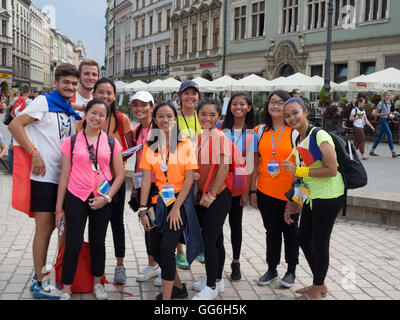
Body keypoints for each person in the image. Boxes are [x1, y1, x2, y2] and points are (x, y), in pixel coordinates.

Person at [8, 63, 82, 299]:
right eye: (66, 82)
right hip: (43, 177)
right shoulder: (44, 102)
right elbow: (14, 125)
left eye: (73, 83)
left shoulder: (69, 107)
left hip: (65, 180)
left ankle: (60, 275)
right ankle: (39, 280)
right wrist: (34, 153)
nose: (70, 86)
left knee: (63, 227)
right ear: (56, 83)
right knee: (45, 228)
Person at [55, 99, 125, 300]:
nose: (97, 117)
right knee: (74, 243)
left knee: (98, 242)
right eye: (93, 113)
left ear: (106, 118)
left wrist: (107, 197)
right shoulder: (72, 141)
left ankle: (97, 282)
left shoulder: (112, 143)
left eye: (102, 115)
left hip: (102, 198)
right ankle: (66, 287)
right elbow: (64, 176)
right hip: (76, 195)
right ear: (86, 114)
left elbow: (119, 175)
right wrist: (59, 209)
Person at [281, 97, 345, 300]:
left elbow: (332, 170)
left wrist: (297, 169)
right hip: (312, 197)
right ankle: (321, 284)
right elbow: (303, 178)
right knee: (302, 238)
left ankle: (316, 292)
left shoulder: (319, 135)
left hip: (329, 197)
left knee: (319, 243)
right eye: (287, 115)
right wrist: (295, 202)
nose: (292, 118)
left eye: (295, 113)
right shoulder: (298, 138)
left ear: (305, 112)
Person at [138, 102, 201, 300]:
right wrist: (142, 209)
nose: (166, 120)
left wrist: (176, 209)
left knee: (166, 249)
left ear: (175, 119)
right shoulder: (150, 147)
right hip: (157, 203)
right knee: (155, 249)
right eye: (161, 117)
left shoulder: (185, 145)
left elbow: (190, 179)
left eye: (170, 116)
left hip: (179, 202)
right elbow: (147, 180)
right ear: (155, 120)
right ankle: (179, 288)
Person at [77, 78, 134, 284]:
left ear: (114, 96)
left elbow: (130, 148)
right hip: (89, 184)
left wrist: (115, 157)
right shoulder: (85, 120)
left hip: (114, 182)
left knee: (117, 224)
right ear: (94, 95)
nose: (105, 96)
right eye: (101, 92)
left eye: (109, 93)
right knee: (93, 230)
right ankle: (94, 270)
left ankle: (120, 265)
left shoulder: (122, 119)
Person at [249, 90, 299, 288]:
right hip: (265, 191)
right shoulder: (259, 131)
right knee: (272, 231)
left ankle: (291, 270)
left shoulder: (296, 132)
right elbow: (254, 162)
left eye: (280, 102)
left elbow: (306, 166)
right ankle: (271, 269)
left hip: (290, 194)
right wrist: (252, 190)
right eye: (272, 102)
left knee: (291, 231)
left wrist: (298, 197)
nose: (275, 106)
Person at [192, 99, 232, 300]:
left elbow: (224, 168)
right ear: (197, 116)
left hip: (218, 195)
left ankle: (210, 287)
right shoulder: (201, 137)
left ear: (219, 118)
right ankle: (217, 279)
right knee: (216, 239)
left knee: (209, 240)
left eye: (212, 115)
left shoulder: (219, 136)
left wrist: (211, 194)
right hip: (207, 194)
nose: (207, 118)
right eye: (203, 114)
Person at [220, 92, 257, 281]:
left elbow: (252, 165)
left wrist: (247, 191)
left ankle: (235, 262)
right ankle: (217, 261)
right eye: (234, 104)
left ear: (249, 107)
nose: (238, 107)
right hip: (220, 184)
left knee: (236, 225)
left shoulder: (252, 133)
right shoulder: (221, 128)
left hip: (238, 185)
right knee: (216, 226)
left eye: (242, 104)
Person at [129, 91, 161, 286]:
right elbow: (137, 158)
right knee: (148, 226)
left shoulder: (160, 128)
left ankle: (165, 267)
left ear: (152, 106)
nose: (139, 109)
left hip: (160, 184)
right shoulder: (138, 130)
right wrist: (134, 185)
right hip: (143, 183)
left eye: (144, 105)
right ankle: (152, 264)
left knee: (159, 227)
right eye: (135, 105)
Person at [176, 80, 203, 269]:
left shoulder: (202, 118)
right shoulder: (174, 119)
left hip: (200, 173)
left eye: (194, 93)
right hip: (180, 173)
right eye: (186, 93)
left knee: (199, 212)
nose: (190, 97)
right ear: (180, 97)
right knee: (179, 213)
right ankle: (180, 253)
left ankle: (199, 247)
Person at [369, 90, 399, 158]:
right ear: (384, 96)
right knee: (389, 134)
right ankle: (393, 152)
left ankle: (372, 150)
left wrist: (391, 115)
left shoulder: (389, 103)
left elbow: (388, 113)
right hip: (382, 120)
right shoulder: (381, 103)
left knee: (380, 136)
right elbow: (376, 113)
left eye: (389, 95)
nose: (389, 96)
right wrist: (386, 114)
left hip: (386, 119)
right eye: (387, 95)